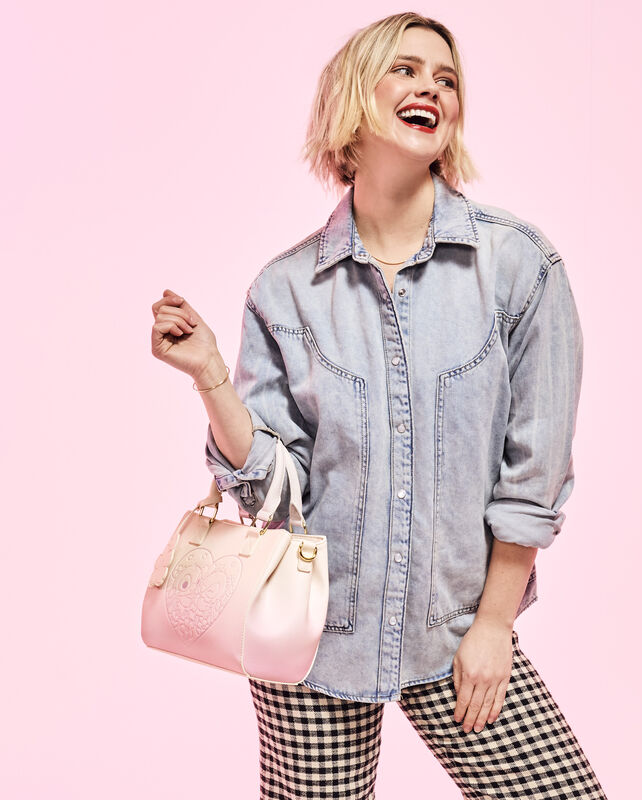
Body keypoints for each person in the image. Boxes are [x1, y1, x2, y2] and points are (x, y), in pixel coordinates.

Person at [150, 11, 607, 800]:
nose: (432, 85)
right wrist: (211, 378)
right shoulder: (285, 289)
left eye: (448, 77)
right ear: (353, 98)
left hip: (457, 629)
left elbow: (536, 476)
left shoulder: (517, 267)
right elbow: (272, 491)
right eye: (405, 69)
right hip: (311, 638)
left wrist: (494, 625)